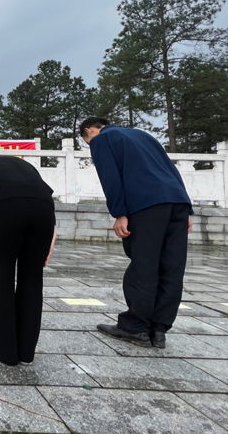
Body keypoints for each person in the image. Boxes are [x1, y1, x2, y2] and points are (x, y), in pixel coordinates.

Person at [81, 116, 193, 349]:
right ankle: (159, 328)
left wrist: (120, 213)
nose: (90, 143)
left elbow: (110, 178)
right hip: (176, 203)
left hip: (145, 204)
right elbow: (171, 170)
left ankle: (135, 327)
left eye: (87, 139)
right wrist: (187, 209)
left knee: (145, 264)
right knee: (171, 266)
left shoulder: (102, 140)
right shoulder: (144, 135)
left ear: (90, 130)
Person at [0, 155, 56, 366]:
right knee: (33, 278)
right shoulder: (26, 165)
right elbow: (44, 195)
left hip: (5, 207)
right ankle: (26, 353)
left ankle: (3, 350)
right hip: (43, 211)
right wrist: (52, 234)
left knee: (3, 277)